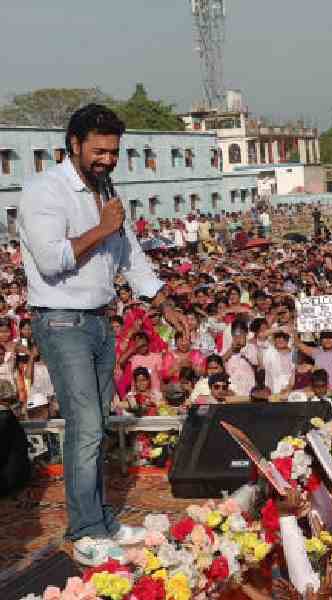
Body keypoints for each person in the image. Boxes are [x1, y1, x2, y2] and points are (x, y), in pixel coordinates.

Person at [18, 104, 187, 564]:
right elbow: (53, 259)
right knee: (87, 426)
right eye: (99, 151)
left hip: (98, 320)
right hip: (61, 320)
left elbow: (128, 252)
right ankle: (85, 529)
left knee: (96, 425)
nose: (108, 160)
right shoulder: (43, 191)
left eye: (114, 152)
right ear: (73, 144)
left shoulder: (105, 190)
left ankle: (101, 518)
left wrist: (163, 302)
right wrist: (103, 226)